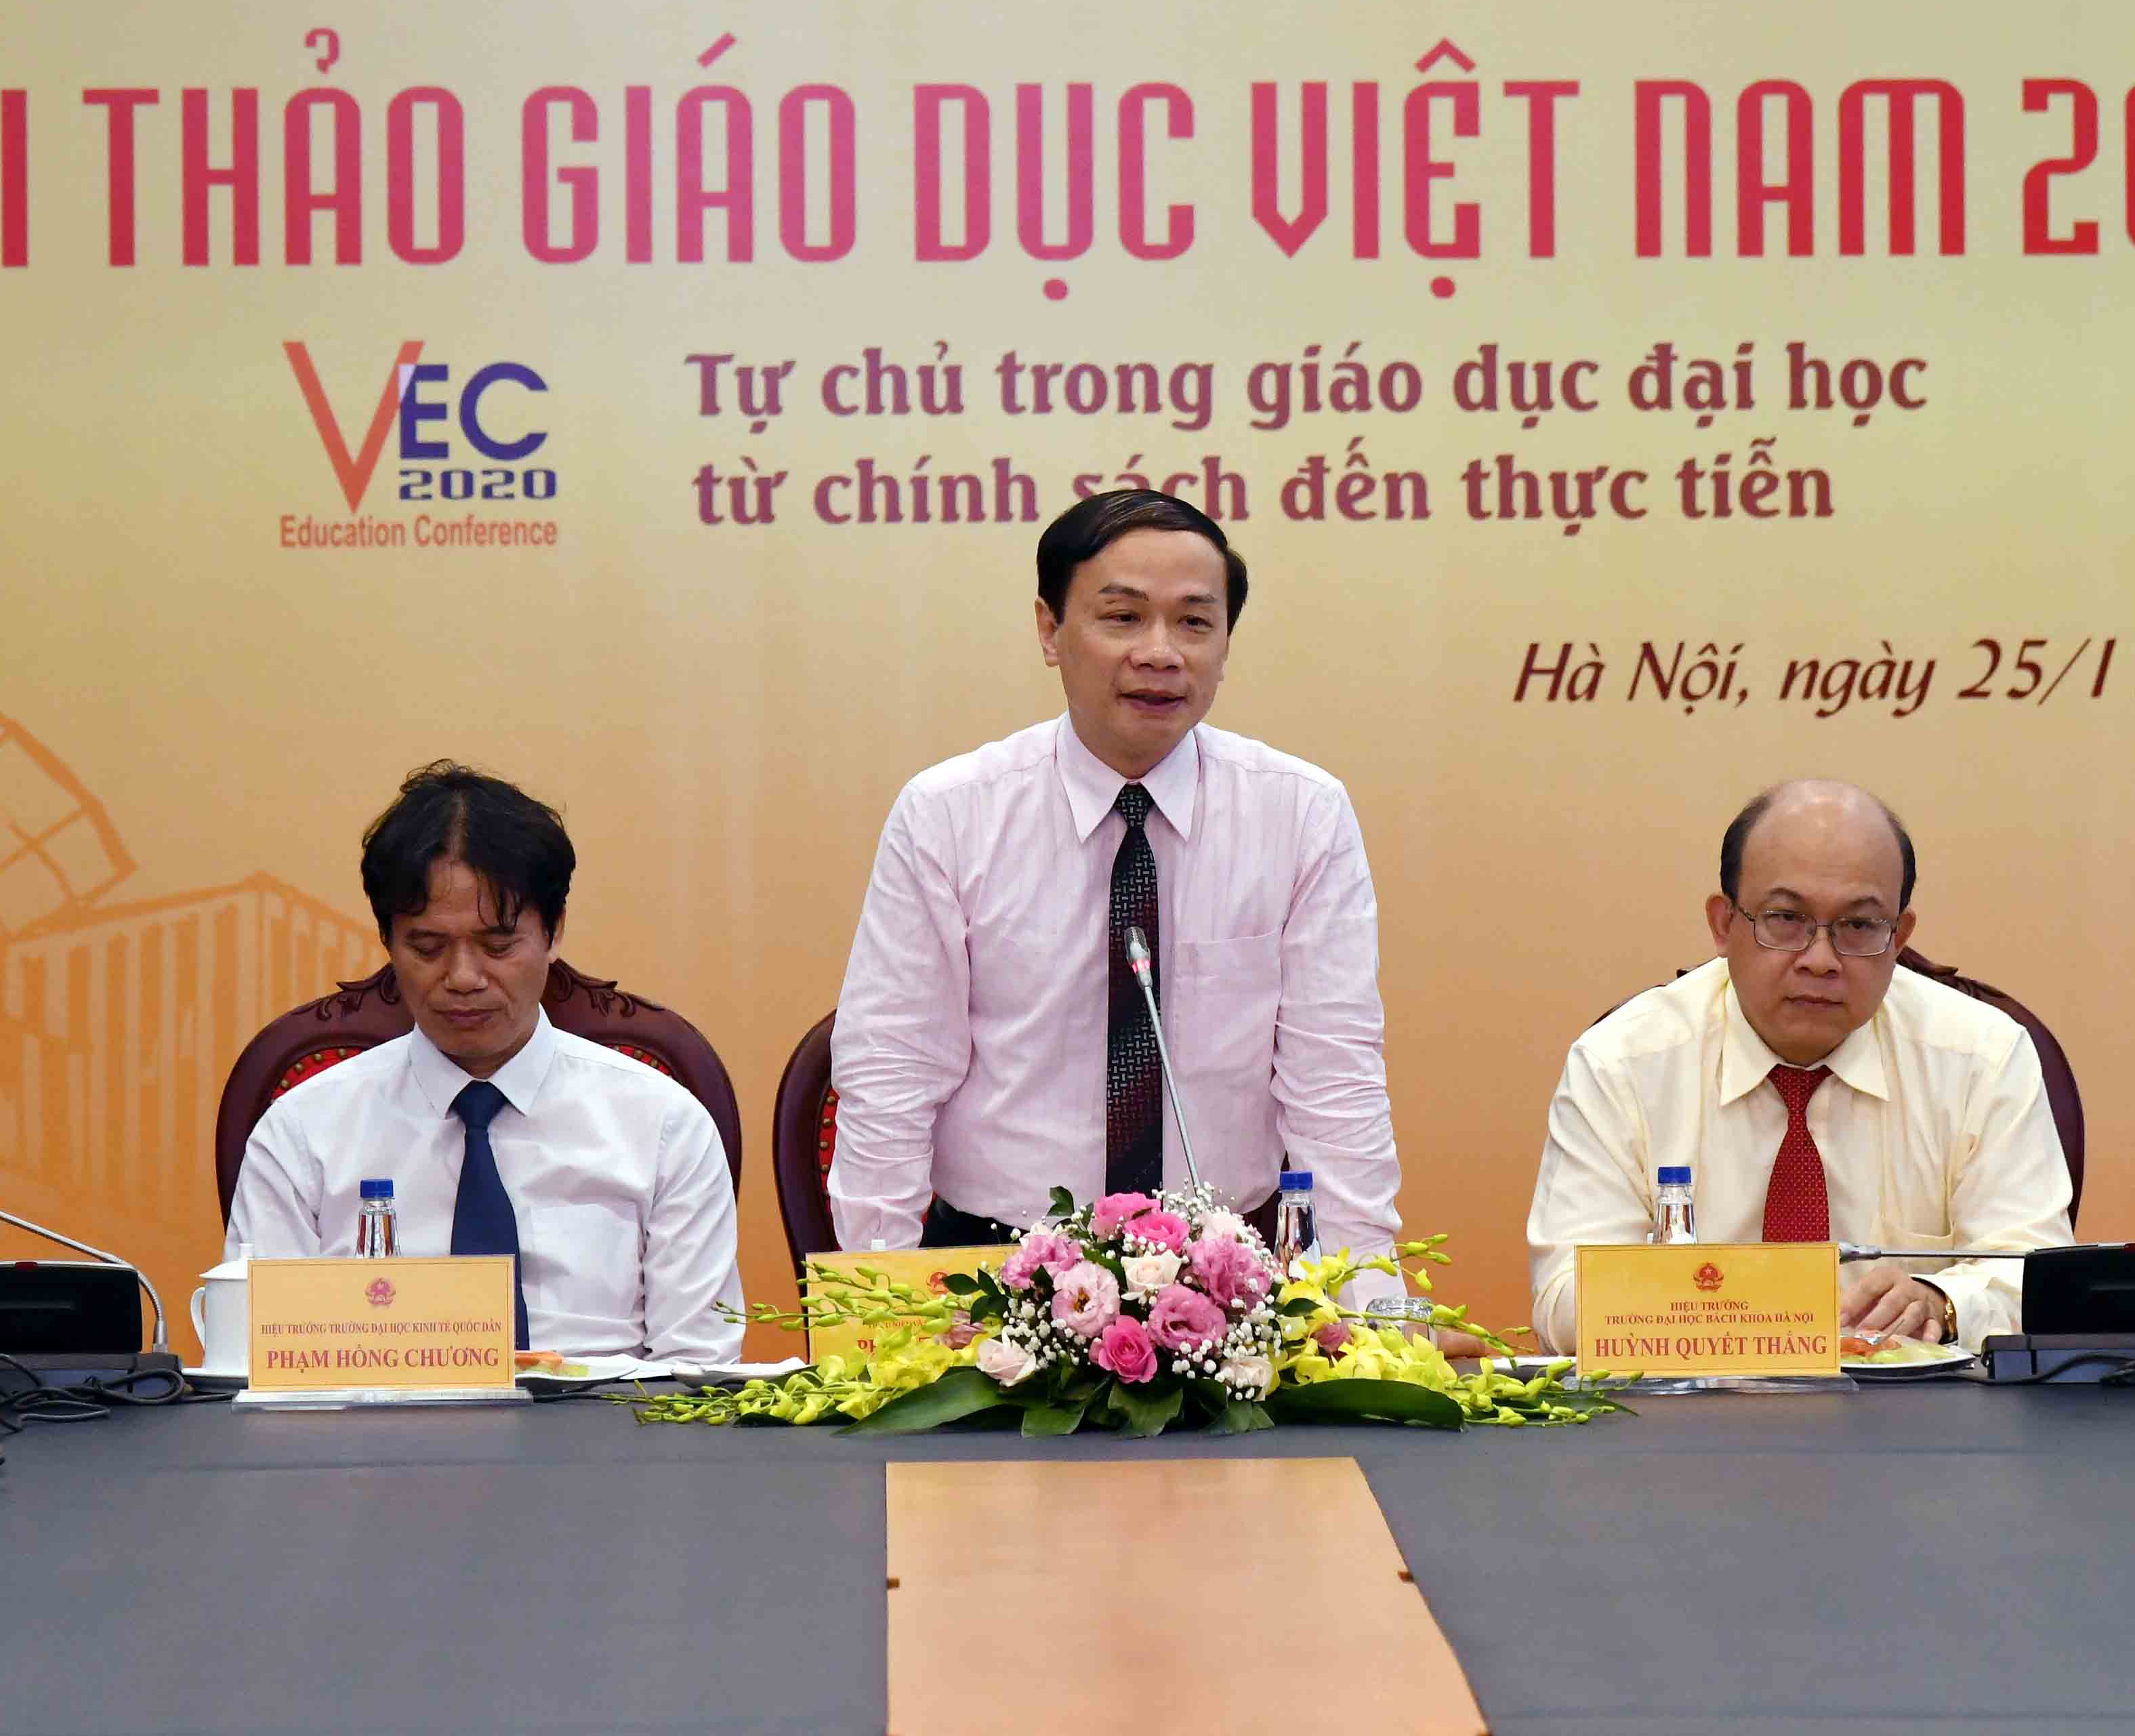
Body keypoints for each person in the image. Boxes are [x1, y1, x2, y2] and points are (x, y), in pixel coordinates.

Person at [829, 489, 1399, 1272]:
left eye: (1194, 623)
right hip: (992, 1264)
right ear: (1050, 630)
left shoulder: (1301, 814)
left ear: (1226, 644)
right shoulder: (950, 814)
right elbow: (892, 1072)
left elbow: (1335, 1083)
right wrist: (878, 1310)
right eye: (1124, 617)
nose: (1161, 653)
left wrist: (1365, 1301)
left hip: (1226, 1272)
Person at [1527, 779, 2073, 1355]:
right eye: (1785, 918)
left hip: (1918, 1405)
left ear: (1898, 937)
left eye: (1859, 926)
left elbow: (2039, 1282)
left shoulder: (1982, 1059)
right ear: (1723, 925)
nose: (1820, 960)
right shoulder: (1622, 1065)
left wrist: (1943, 1302)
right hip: (1695, 1403)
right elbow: (1564, 1299)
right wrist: (1735, 1315)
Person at [225, 762, 743, 1363]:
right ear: (387, 941)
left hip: (607, 1419)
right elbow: (259, 1364)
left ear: (554, 933)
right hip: (375, 1422)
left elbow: (698, 1368)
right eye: (427, 947)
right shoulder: (303, 1132)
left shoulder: (663, 1125)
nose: (464, 978)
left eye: (498, 946)